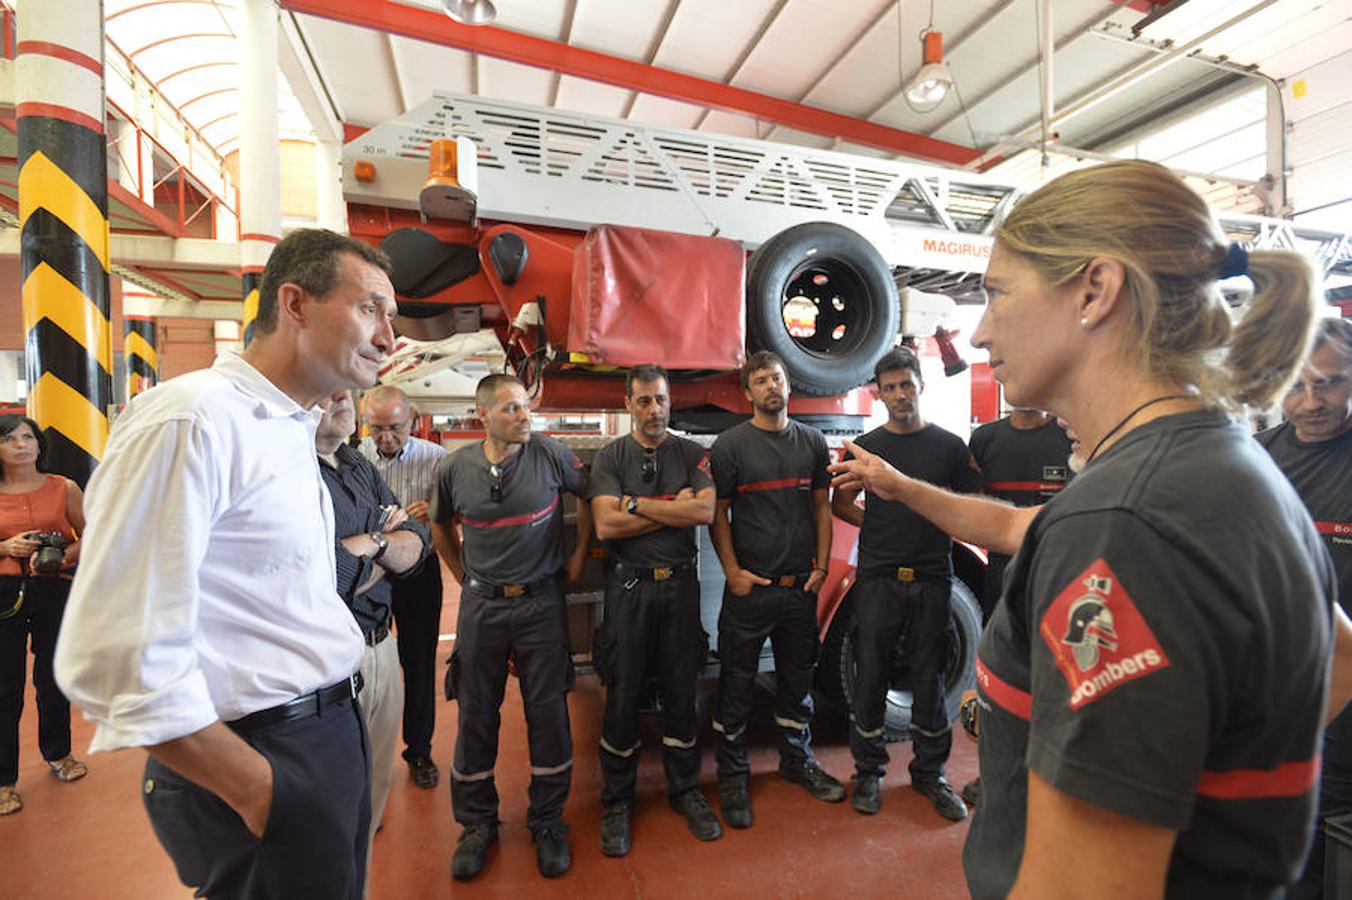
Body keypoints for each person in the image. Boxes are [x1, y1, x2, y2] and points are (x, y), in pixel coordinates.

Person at [834, 160, 1334, 898]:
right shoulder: (1224, 470)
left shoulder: (1120, 525)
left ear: (1095, 291)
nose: (979, 332)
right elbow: (1339, 657)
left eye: (999, 293)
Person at [54, 228, 396, 899]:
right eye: (370, 309)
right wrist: (260, 790)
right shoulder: (192, 420)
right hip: (266, 750)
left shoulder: (287, 427)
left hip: (327, 733)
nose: (388, 336)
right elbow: (117, 652)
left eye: (392, 317)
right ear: (294, 304)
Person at [430, 373, 591, 881]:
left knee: (549, 715)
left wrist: (580, 553)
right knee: (476, 714)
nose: (525, 418)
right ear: (484, 416)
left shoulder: (551, 456)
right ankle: (477, 824)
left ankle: (547, 822)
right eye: (512, 410)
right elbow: (439, 524)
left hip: (541, 604)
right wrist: (464, 577)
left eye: (526, 408)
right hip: (483, 611)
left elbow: (590, 495)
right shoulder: (455, 467)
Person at [830, 348, 983, 821]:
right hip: (878, 579)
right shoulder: (866, 448)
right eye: (890, 387)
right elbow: (840, 503)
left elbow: (969, 505)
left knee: (930, 678)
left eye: (906, 385)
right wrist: (876, 525)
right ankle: (869, 774)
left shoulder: (950, 447)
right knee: (871, 676)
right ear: (878, 394)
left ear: (921, 385)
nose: (899, 395)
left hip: (933, 577)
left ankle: (930, 775)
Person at [708, 350, 845, 829]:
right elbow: (717, 515)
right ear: (748, 393)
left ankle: (796, 760)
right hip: (751, 592)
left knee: (796, 685)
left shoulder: (812, 443)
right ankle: (732, 774)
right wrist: (733, 573)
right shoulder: (730, 447)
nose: (772, 385)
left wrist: (822, 568)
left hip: (798, 590)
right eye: (762, 379)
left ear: (789, 385)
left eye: (778, 377)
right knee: (736, 688)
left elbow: (823, 510)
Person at [589, 363, 721, 856]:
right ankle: (617, 800)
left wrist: (635, 505)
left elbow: (704, 512)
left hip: (679, 592)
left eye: (661, 399)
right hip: (629, 594)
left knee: (683, 692)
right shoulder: (610, 457)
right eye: (643, 400)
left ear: (671, 402)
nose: (653, 409)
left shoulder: (692, 453)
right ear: (628, 404)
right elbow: (605, 527)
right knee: (622, 695)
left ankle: (685, 791)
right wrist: (669, 506)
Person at [316, 389, 430, 891]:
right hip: (333, 659)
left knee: (374, 788)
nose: (341, 395)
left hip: (381, 646)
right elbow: (324, 577)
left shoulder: (355, 466)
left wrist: (373, 543)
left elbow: (417, 544)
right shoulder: (291, 472)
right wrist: (384, 548)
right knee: (333, 802)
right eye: (327, 385)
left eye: (346, 386)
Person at [1258, 316, 1352, 900]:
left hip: (1346, 685)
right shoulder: (1254, 459)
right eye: (1297, 385)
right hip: (1271, 679)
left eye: (1331, 383)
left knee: (1328, 833)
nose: (1312, 401)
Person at [358, 384, 448, 790]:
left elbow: (461, 513)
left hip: (419, 574)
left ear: (412, 419)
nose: (386, 437)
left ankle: (419, 750)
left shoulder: (438, 462)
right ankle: (362, 752)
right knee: (361, 663)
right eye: (376, 428)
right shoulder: (354, 460)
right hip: (367, 576)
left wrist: (437, 510)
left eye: (395, 427)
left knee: (419, 662)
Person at [0, 415, 86, 816]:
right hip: (5, 594)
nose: (22, 445)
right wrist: (7, 547)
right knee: (6, 687)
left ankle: (60, 753)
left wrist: (62, 557)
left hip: (55, 587)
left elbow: (92, 534)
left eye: (28, 437)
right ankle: (4, 780)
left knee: (53, 676)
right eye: (11, 439)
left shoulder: (63, 488)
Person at [968, 409, 1071, 621]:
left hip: (1055, 574)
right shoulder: (984, 439)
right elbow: (973, 502)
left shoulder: (1071, 436)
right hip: (1000, 576)